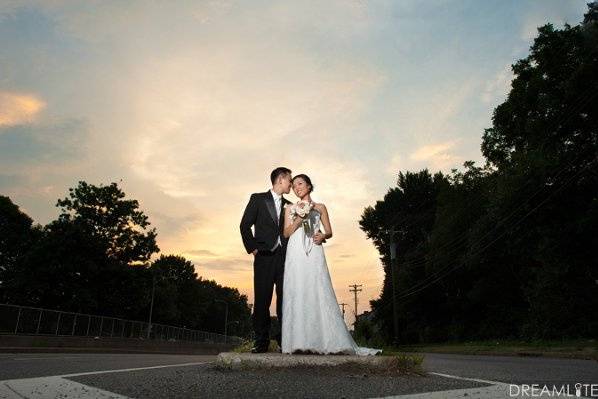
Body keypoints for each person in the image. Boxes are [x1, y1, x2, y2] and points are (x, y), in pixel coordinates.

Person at [281, 174, 381, 355]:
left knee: (317, 288)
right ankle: (297, 341)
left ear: (309, 186)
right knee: (298, 289)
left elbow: (329, 231)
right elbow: (287, 233)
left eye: (300, 184)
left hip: (314, 249)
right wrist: (300, 216)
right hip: (295, 253)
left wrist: (323, 236)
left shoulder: (320, 207)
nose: (297, 188)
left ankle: (321, 341)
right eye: (294, 185)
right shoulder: (289, 208)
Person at [240, 167, 292, 353]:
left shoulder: (290, 204)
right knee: (262, 299)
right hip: (263, 256)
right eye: (289, 180)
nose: (291, 183)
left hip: (285, 258)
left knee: (285, 299)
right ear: (280, 179)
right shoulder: (258, 199)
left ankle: (283, 340)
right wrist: (253, 248)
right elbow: (244, 225)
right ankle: (261, 342)